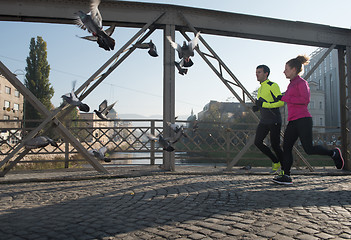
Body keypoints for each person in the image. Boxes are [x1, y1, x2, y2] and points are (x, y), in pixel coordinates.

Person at [273, 55, 344, 185]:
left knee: (308, 149)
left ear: (294, 69)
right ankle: (286, 176)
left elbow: (305, 100)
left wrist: (285, 98)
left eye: (286, 69)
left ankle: (333, 153)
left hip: (303, 119)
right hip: (293, 121)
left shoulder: (302, 83)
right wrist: (278, 97)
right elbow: (286, 98)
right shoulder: (290, 85)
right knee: (287, 147)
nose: (284, 72)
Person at [252, 65, 285, 174]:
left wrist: (264, 105)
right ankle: (275, 161)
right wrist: (258, 107)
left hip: (274, 119)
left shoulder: (273, 85)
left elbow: (281, 102)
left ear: (266, 73)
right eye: (256, 72)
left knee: (275, 145)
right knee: (257, 142)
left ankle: (284, 170)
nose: (257, 74)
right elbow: (263, 103)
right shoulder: (261, 88)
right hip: (264, 120)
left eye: (259, 72)